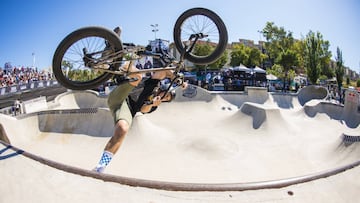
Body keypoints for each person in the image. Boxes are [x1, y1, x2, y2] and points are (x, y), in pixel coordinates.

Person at [93, 61, 180, 173]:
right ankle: (111, 63)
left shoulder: (155, 106)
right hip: (121, 96)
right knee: (138, 76)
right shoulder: (153, 83)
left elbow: (143, 109)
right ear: (163, 89)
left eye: (166, 100)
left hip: (124, 108)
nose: (164, 98)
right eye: (166, 95)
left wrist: (152, 104)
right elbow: (164, 71)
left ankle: (100, 166)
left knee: (122, 130)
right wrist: (178, 80)